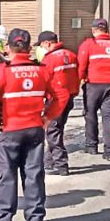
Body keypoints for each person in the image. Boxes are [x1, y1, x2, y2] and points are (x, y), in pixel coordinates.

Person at [0, 28, 68, 221]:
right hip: (34, 130)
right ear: (29, 48)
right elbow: (61, 95)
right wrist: (47, 117)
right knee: (34, 174)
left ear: (8, 48)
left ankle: (4, 220)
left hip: (9, 131)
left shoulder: (3, 71)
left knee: (4, 175)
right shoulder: (42, 70)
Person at [78, 18, 110, 161]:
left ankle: (91, 145)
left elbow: (81, 67)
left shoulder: (88, 44)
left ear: (94, 30)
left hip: (93, 85)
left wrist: (77, 83)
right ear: (107, 30)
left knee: (90, 115)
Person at [36, 30, 80, 176]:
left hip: (56, 100)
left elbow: (44, 81)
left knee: (53, 131)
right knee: (57, 130)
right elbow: (76, 77)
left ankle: (61, 164)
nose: (41, 49)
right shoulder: (71, 55)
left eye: (42, 45)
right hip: (69, 99)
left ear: (47, 43)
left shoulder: (49, 60)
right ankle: (49, 161)